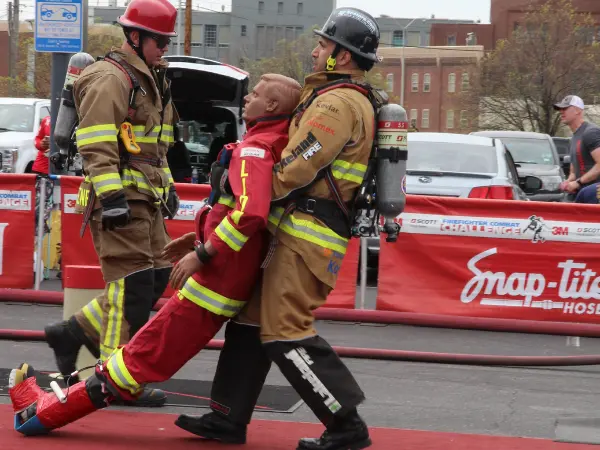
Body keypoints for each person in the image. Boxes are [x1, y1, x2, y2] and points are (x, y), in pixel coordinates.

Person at [8, 73, 302, 436]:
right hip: (227, 277)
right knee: (143, 355)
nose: (248, 98)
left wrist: (203, 255)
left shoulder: (255, 150)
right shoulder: (272, 143)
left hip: (216, 280)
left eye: (255, 94)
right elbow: (233, 213)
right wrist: (196, 243)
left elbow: (249, 215)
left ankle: (38, 417)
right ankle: (59, 371)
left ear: (272, 106)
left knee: (137, 358)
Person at [176, 7, 383, 450]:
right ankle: (226, 418)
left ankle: (346, 425)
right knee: (250, 322)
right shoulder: (336, 97)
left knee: (285, 329)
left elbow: (295, 167)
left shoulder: (337, 103)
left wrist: (247, 180)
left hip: (308, 236)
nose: (314, 51)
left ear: (343, 57)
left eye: (323, 45)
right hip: (294, 231)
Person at [42, 0, 180, 407]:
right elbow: (95, 142)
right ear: (134, 37)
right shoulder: (111, 78)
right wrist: (113, 196)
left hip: (147, 198)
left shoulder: (152, 78)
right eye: (159, 40)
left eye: (167, 40)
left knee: (155, 281)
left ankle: (72, 333)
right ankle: (113, 380)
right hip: (121, 200)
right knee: (131, 289)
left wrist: (168, 186)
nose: (164, 47)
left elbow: (157, 147)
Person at [554, 95, 600, 202]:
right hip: (581, 194)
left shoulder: (590, 132)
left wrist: (578, 183)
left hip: (595, 196)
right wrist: (568, 182)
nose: (561, 111)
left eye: (565, 108)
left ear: (577, 110)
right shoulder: (574, 137)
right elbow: (574, 171)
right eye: (560, 109)